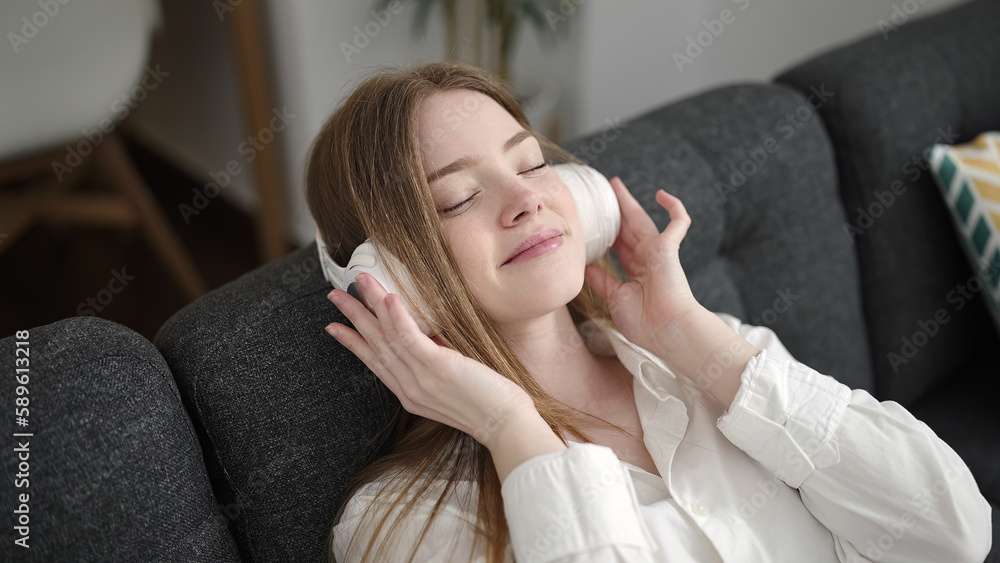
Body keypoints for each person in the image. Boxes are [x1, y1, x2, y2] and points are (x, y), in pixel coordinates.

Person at [307, 61, 992, 563]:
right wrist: (509, 425)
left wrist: (697, 341)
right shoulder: (402, 524)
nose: (526, 200)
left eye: (532, 164)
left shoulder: (715, 355)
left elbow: (953, 532)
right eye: (458, 197)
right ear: (386, 278)